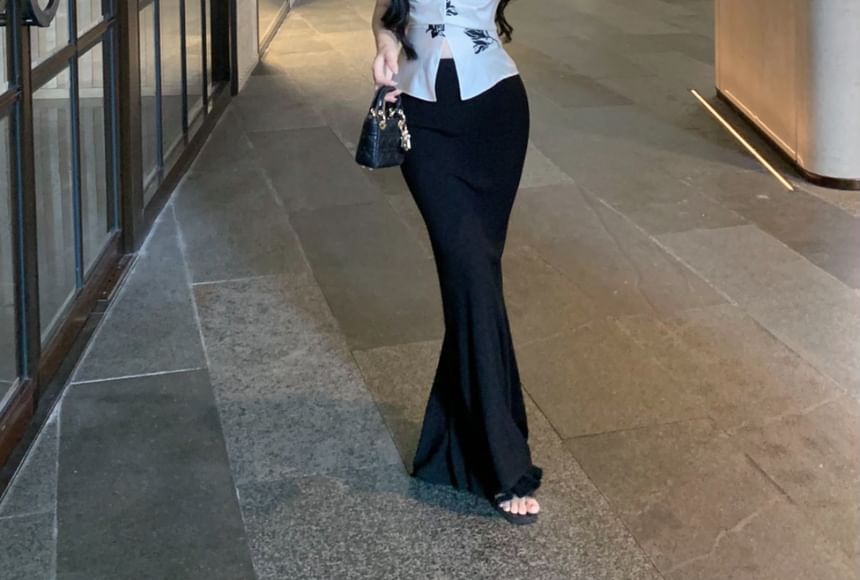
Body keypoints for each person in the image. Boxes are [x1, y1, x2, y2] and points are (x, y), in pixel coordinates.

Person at [371, 0, 542, 525]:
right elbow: (384, 13)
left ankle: (455, 442)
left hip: (496, 112)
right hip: (421, 117)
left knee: (477, 274)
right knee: (469, 267)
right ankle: (502, 459)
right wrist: (385, 47)